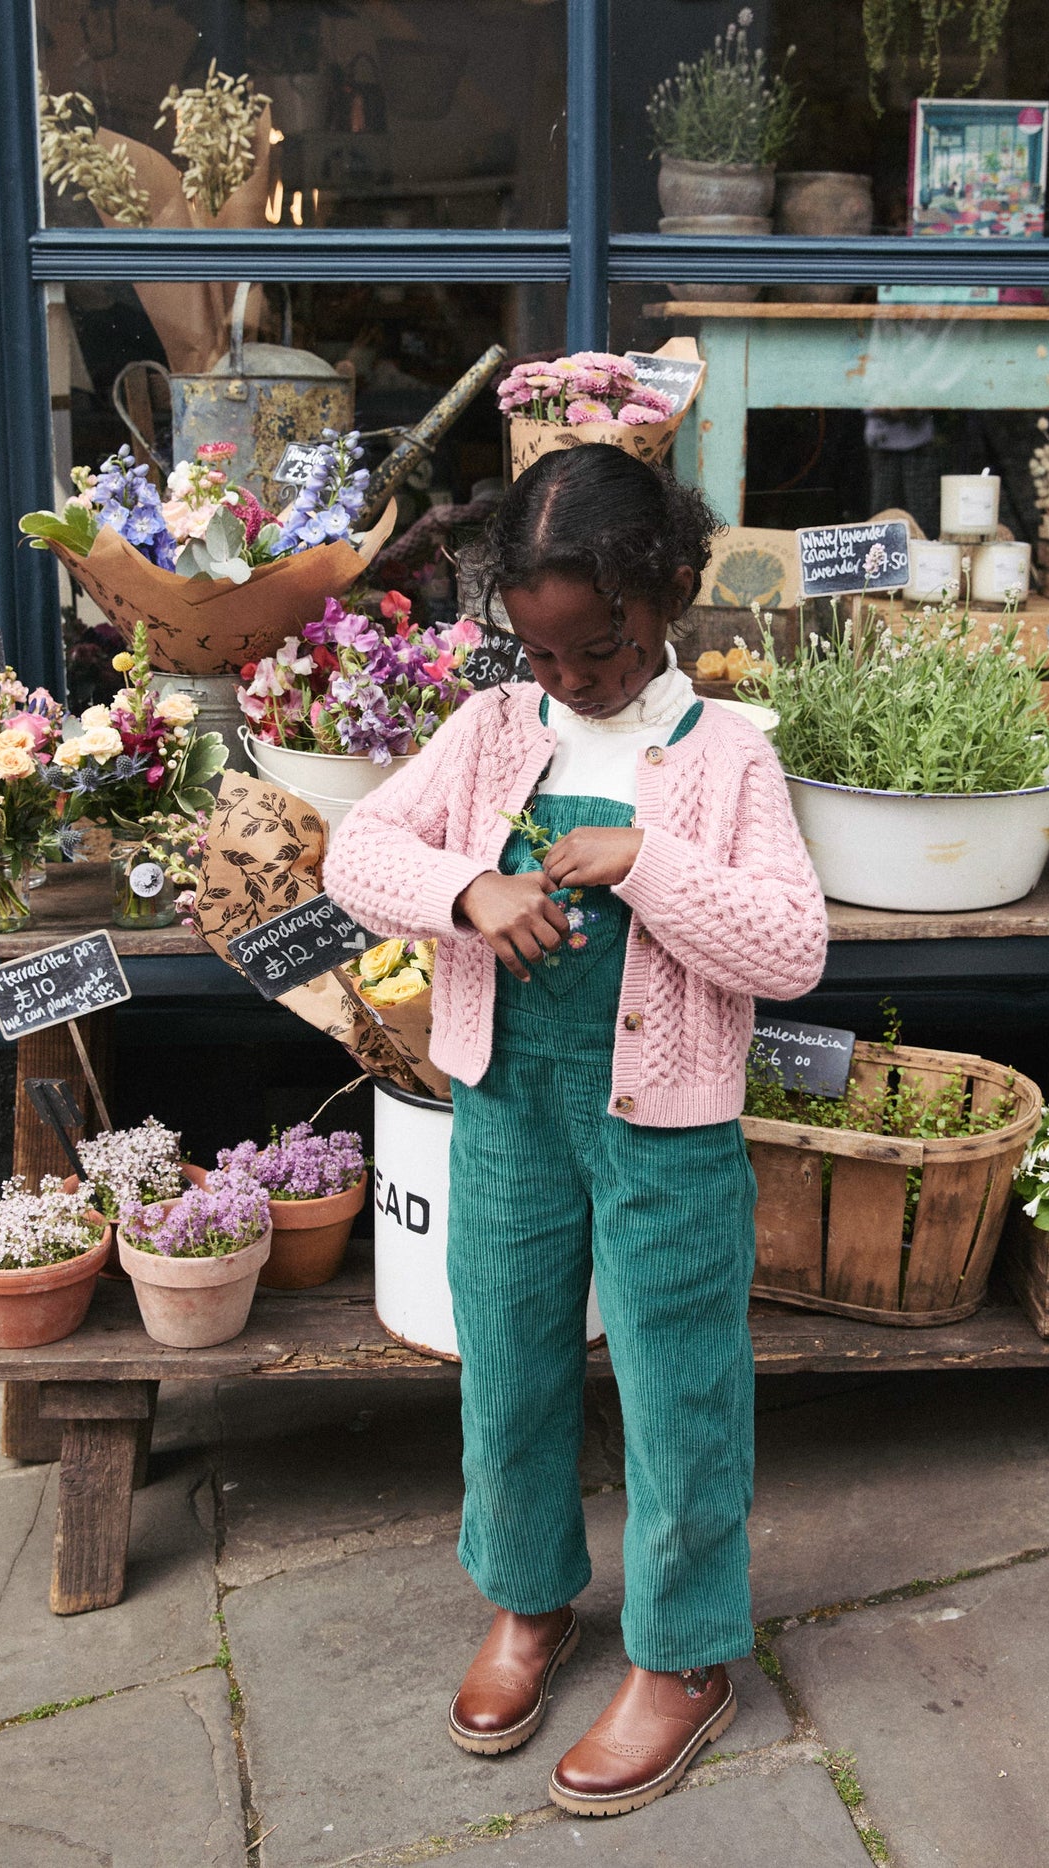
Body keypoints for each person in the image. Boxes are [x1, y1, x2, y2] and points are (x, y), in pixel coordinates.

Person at [323, 443, 828, 1818]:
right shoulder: (490, 730)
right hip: (506, 1110)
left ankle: (683, 1654)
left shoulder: (726, 758)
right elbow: (355, 854)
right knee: (511, 1367)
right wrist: (469, 887)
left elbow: (789, 951)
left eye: (595, 649)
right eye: (539, 653)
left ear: (667, 593)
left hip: (666, 1129)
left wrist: (648, 862)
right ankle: (529, 1600)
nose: (568, 681)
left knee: (680, 1392)